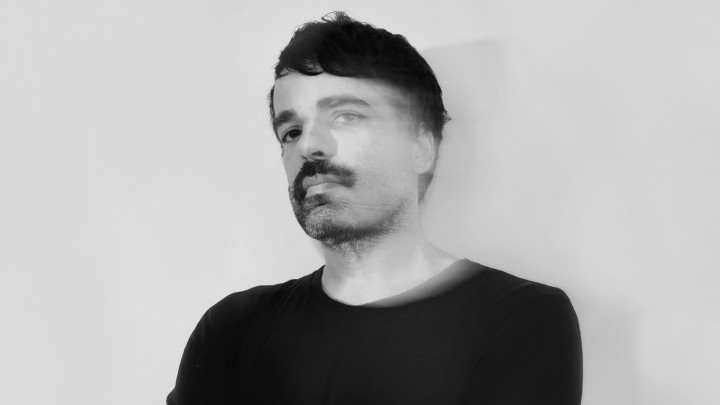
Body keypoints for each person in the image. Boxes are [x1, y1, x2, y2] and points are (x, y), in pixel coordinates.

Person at [167, 12, 582, 405]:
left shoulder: (519, 317)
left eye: (345, 116)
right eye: (291, 131)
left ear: (421, 148)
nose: (309, 145)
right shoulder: (232, 329)